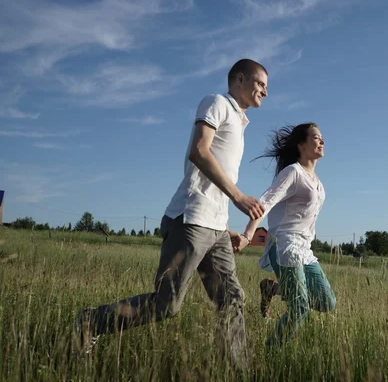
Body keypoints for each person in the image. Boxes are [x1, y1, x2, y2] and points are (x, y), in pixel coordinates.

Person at [74, 59, 269, 370]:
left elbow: (213, 178)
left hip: (215, 226)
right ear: (240, 79)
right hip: (190, 220)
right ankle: (90, 321)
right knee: (167, 305)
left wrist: (225, 225)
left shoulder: (240, 123)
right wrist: (239, 197)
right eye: (260, 84)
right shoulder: (216, 102)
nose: (265, 92)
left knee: (232, 299)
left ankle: (238, 369)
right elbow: (199, 151)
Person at [236, 123, 336, 348]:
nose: (322, 141)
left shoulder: (317, 181)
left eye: (322, 138)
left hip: (304, 248)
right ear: (301, 144)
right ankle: (270, 355)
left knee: (326, 301)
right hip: (284, 244)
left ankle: (272, 289)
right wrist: (248, 234)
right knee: (299, 307)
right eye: (317, 137)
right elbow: (266, 202)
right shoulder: (293, 172)